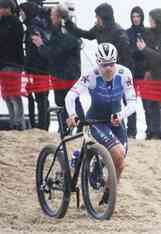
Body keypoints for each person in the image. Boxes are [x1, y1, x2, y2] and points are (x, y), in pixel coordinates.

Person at [65, 43, 137, 203]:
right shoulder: (90, 75)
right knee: (117, 152)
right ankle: (82, 159)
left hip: (116, 120)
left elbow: (133, 103)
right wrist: (72, 114)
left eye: (111, 63)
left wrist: (121, 115)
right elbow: (70, 96)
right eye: (104, 65)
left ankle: (109, 192)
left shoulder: (125, 73)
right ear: (98, 63)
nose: (108, 68)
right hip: (96, 121)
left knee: (120, 161)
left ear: (116, 61)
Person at [32, 4, 82, 135]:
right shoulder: (55, 31)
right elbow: (52, 48)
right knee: (60, 102)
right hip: (58, 73)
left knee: (72, 102)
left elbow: (56, 52)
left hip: (69, 74)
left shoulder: (68, 32)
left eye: (53, 16)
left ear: (59, 18)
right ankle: (65, 129)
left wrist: (41, 45)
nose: (51, 18)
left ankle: (80, 126)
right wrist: (42, 41)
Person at [137, 8, 161, 140]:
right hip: (151, 74)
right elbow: (147, 56)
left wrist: (144, 49)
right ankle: (155, 130)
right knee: (152, 103)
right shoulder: (149, 33)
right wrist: (146, 70)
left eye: (152, 19)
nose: (149, 21)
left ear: (158, 21)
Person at [65, 3, 133, 70]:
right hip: (103, 67)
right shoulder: (98, 28)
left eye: (97, 17)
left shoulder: (119, 33)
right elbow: (86, 34)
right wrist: (69, 24)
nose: (96, 19)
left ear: (103, 18)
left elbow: (126, 58)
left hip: (115, 68)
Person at [19, 1, 50, 130]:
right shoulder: (39, 26)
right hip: (39, 69)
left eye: (22, 12)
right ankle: (41, 126)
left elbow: (37, 51)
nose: (20, 15)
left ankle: (41, 126)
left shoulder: (33, 29)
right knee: (41, 99)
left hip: (37, 70)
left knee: (40, 100)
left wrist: (27, 65)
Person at [0, 0, 25, 130]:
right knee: (5, 95)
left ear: (7, 9)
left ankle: (19, 122)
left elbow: (16, 41)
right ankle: (12, 120)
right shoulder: (2, 23)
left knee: (14, 93)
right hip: (2, 64)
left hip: (13, 63)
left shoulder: (15, 23)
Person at [126, 6, 146, 139]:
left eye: (138, 16)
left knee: (148, 104)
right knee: (130, 102)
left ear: (142, 17)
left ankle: (150, 131)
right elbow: (126, 52)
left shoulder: (147, 32)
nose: (136, 19)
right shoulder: (127, 32)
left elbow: (148, 53)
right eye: (133, 16)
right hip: (131, 71)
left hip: (144, 72)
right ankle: (131, 130)